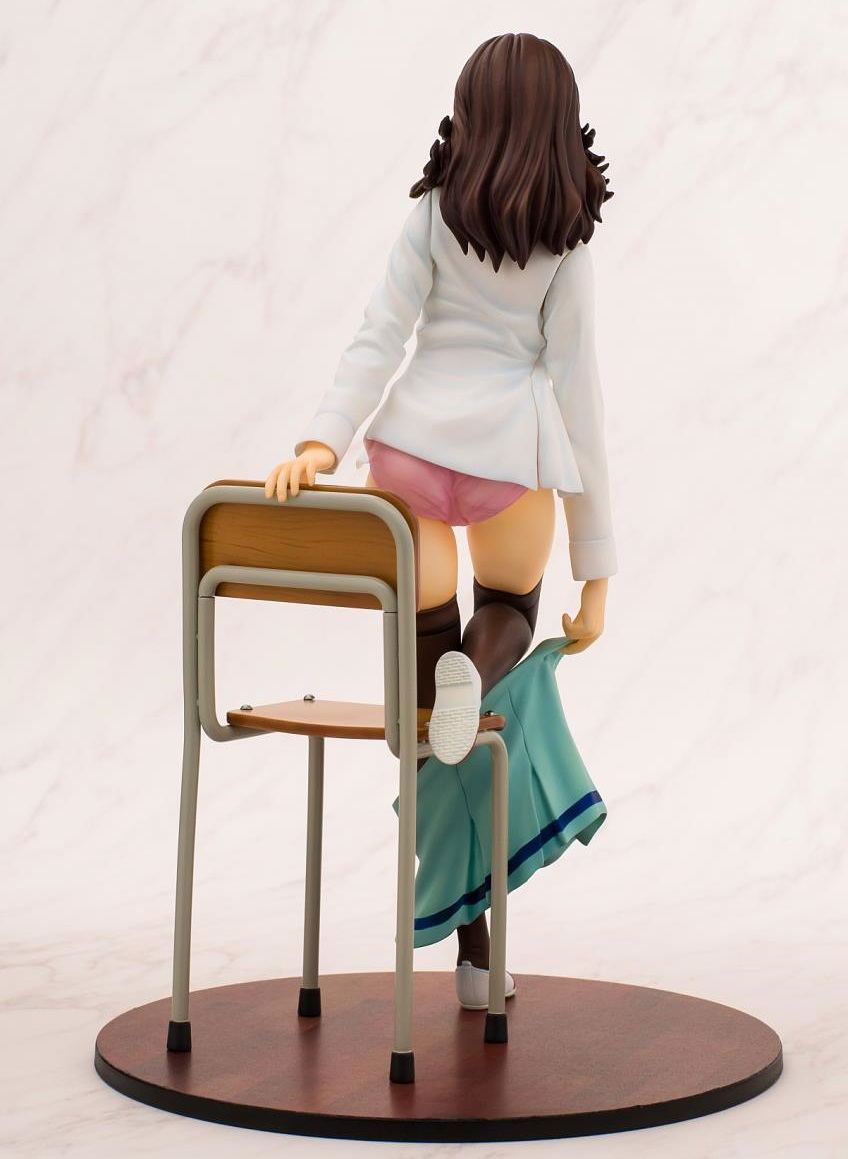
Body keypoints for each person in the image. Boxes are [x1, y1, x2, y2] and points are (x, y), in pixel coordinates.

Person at [264, 32, 617, 1005]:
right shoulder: (565, 243)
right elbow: (580, 398)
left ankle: (469, 950)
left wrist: (321, 443)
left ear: (468, 116)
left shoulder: (430, 214)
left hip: (411, 455)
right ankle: (485, 662)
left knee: (436, 741)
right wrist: (596, 568)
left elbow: (377, 336)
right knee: (502, 616)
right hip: (512, 461)